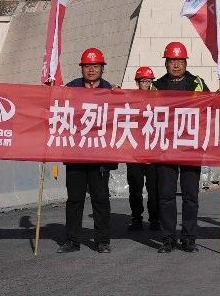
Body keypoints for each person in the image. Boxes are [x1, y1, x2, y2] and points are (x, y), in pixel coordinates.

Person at [153, 41, 210, 253]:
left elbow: (210, 108)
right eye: (172, 61)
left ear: (186, 62)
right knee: (166, 196)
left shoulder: (197, 83)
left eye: (180, 60)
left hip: (190, 148)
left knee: (190, 197)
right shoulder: (156, 87)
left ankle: (189, 239)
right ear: (166, 63)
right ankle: (168, 239)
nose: (176, 65)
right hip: (165, 149)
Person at [58, 48, 115, 254]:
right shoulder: (71, 89)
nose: (91, 70)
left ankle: (102, 240)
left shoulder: (112, 91)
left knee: (101, 199)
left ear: (102, 68)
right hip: (75, 154)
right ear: (82, 68)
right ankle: (72, 240)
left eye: (95, 66)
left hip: (100, 156)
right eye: (87, 66)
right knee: (74, 199)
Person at [126, 66, 160, 232]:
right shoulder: (131, 99)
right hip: (135, 151)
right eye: (142, 81)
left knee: (154, 189)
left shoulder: (159, 98)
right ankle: (136, 218)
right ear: (137, 82)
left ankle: (155, 219)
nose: (145, 84)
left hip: (153, 151)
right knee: (135, 188)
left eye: (148, 81)